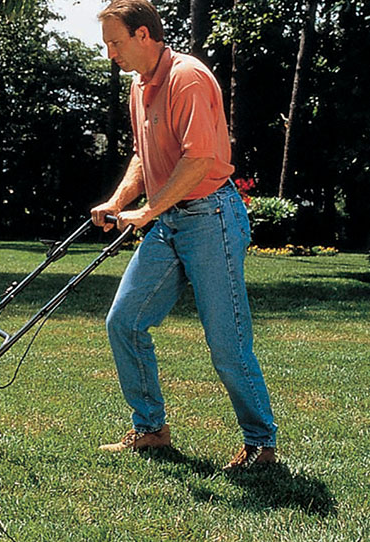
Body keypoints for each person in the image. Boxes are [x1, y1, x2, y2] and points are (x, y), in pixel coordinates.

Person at [90, 0, 278, 470]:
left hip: (210, 217)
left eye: (115, 42)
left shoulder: (186, 78)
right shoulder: (139, 85)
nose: (109, 52)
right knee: (125, 321)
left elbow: (198, 160)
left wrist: (149, 209)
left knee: (226, 342)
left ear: (144, 36)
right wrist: (118, 201)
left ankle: (261, 444)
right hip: (171, 221)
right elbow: (143, 153)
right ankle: (151, 430)